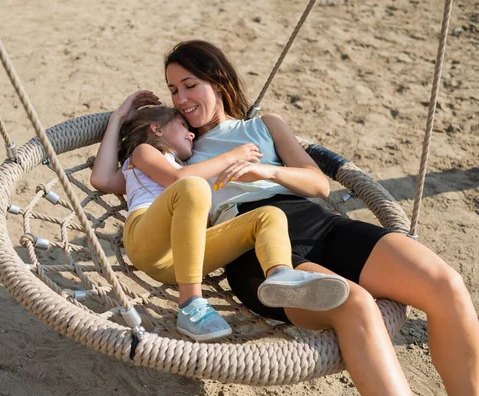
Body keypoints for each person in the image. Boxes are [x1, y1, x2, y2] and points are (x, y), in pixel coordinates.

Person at [162, 40, 479, 396]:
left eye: (190, 86)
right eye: (173, 90)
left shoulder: (265, 125)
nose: (181, 99)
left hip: (317, 222)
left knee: (446, 285)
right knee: (355, 304)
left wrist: (264, 170)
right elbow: (125, 171)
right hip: (254, 249)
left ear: (218, 82)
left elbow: (318, 185)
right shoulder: (179, 151)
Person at [90, 92, 351, 342]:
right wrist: (118, 119)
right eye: (182, 125)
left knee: (269, 216)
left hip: (184, 260)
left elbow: (182, 178)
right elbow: (103, 179)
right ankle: (191, 305)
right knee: (193, 186)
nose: (191, 132)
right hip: (147, 242)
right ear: (156, 129)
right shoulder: (144, 154)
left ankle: (281, 275)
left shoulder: (180, 167)